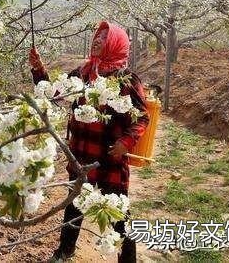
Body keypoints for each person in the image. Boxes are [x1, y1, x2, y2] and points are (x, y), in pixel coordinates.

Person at [28, 21, 149, 263]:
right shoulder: (81, 74)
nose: (96, 40)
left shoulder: (126, 79)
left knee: (118, 214)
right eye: (96, 36)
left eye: (103, 38)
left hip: (110, 159)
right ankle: (65, 252)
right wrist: (38, 70)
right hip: (80, 156)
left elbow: (142, 116)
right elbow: (56, 95)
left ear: (115, 44)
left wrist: (126, 142)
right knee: (74, 208)